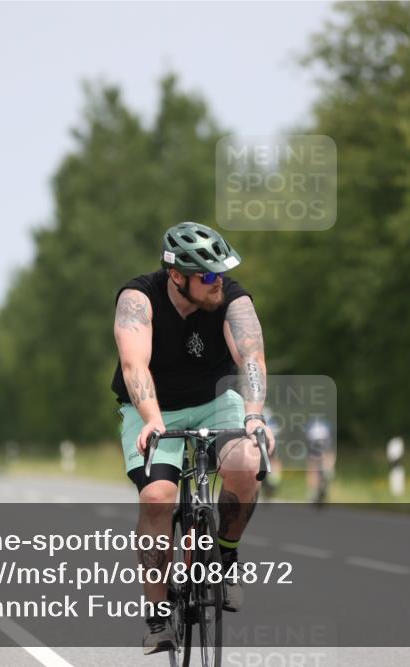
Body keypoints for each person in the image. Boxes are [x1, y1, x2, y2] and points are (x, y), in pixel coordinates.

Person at [111, 221, 275, 655]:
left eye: (220, 272)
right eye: (206, 275)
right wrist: (150, 418)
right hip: (153, 407)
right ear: (177, 276)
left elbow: (251, 358)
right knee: (158, 496)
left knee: (244, 464)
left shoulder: (232, 300)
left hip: (216, 400)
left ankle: (225, 554)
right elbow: (134, 367)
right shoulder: (138, 299)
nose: (216, 281)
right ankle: (159, 614)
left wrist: (255, 416)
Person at [304, 416, 336, 504]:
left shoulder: (309, 419)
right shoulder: (327, 417)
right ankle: (328, 470)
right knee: (328, 453)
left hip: (312, 439)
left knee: (312, 466)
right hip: (325, 439)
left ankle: (313, 492)